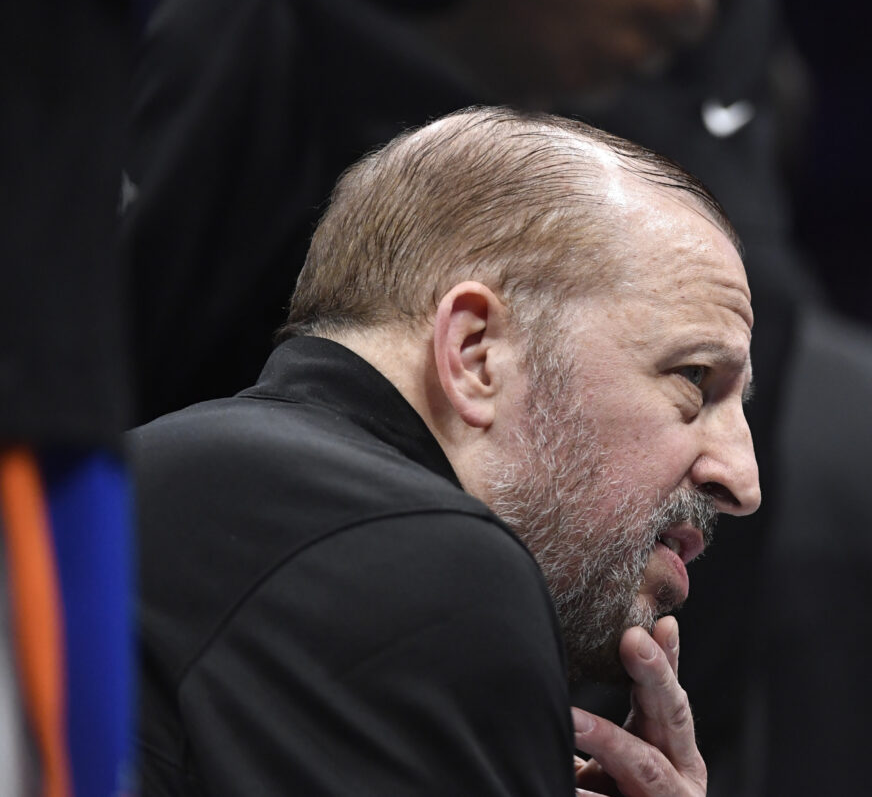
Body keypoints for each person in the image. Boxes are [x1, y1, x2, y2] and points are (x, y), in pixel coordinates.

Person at [130, 106, 759, 795]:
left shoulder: (170, 484)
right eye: (695, 377)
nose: (743, 480)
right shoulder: (421, 561)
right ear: (476, 353)